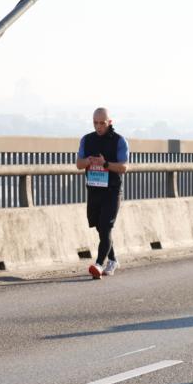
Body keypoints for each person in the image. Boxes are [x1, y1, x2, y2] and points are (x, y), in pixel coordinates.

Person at [76, 108, 129, 278]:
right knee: (100, 227)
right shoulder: (87, 139)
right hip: (94, 190)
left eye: (102, 123)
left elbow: (124, 167)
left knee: (106, 225)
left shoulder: (119, 141)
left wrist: (105, 164)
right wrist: (89, 161)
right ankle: (112, 259)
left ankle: (98, 264)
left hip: (112, 191)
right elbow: (78, 164)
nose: (98, 127)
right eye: (95, 123)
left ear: (109, 122)